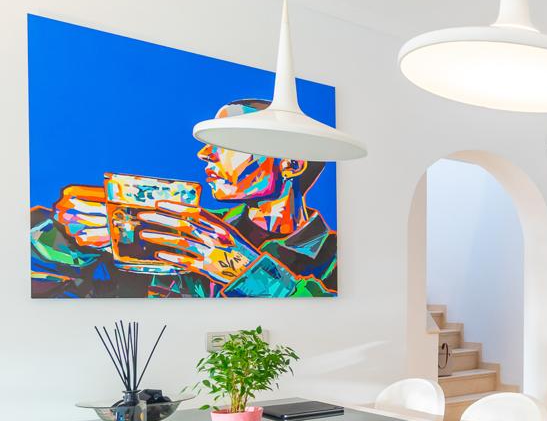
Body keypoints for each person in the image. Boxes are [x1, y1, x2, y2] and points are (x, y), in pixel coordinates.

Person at [30, 99, 337, 298]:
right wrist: (69, 236)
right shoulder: (189, 228)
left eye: (230, 142)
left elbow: (332, 326)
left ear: (291, 164)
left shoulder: (335, 257)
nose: (205, 153)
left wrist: (244, 270)